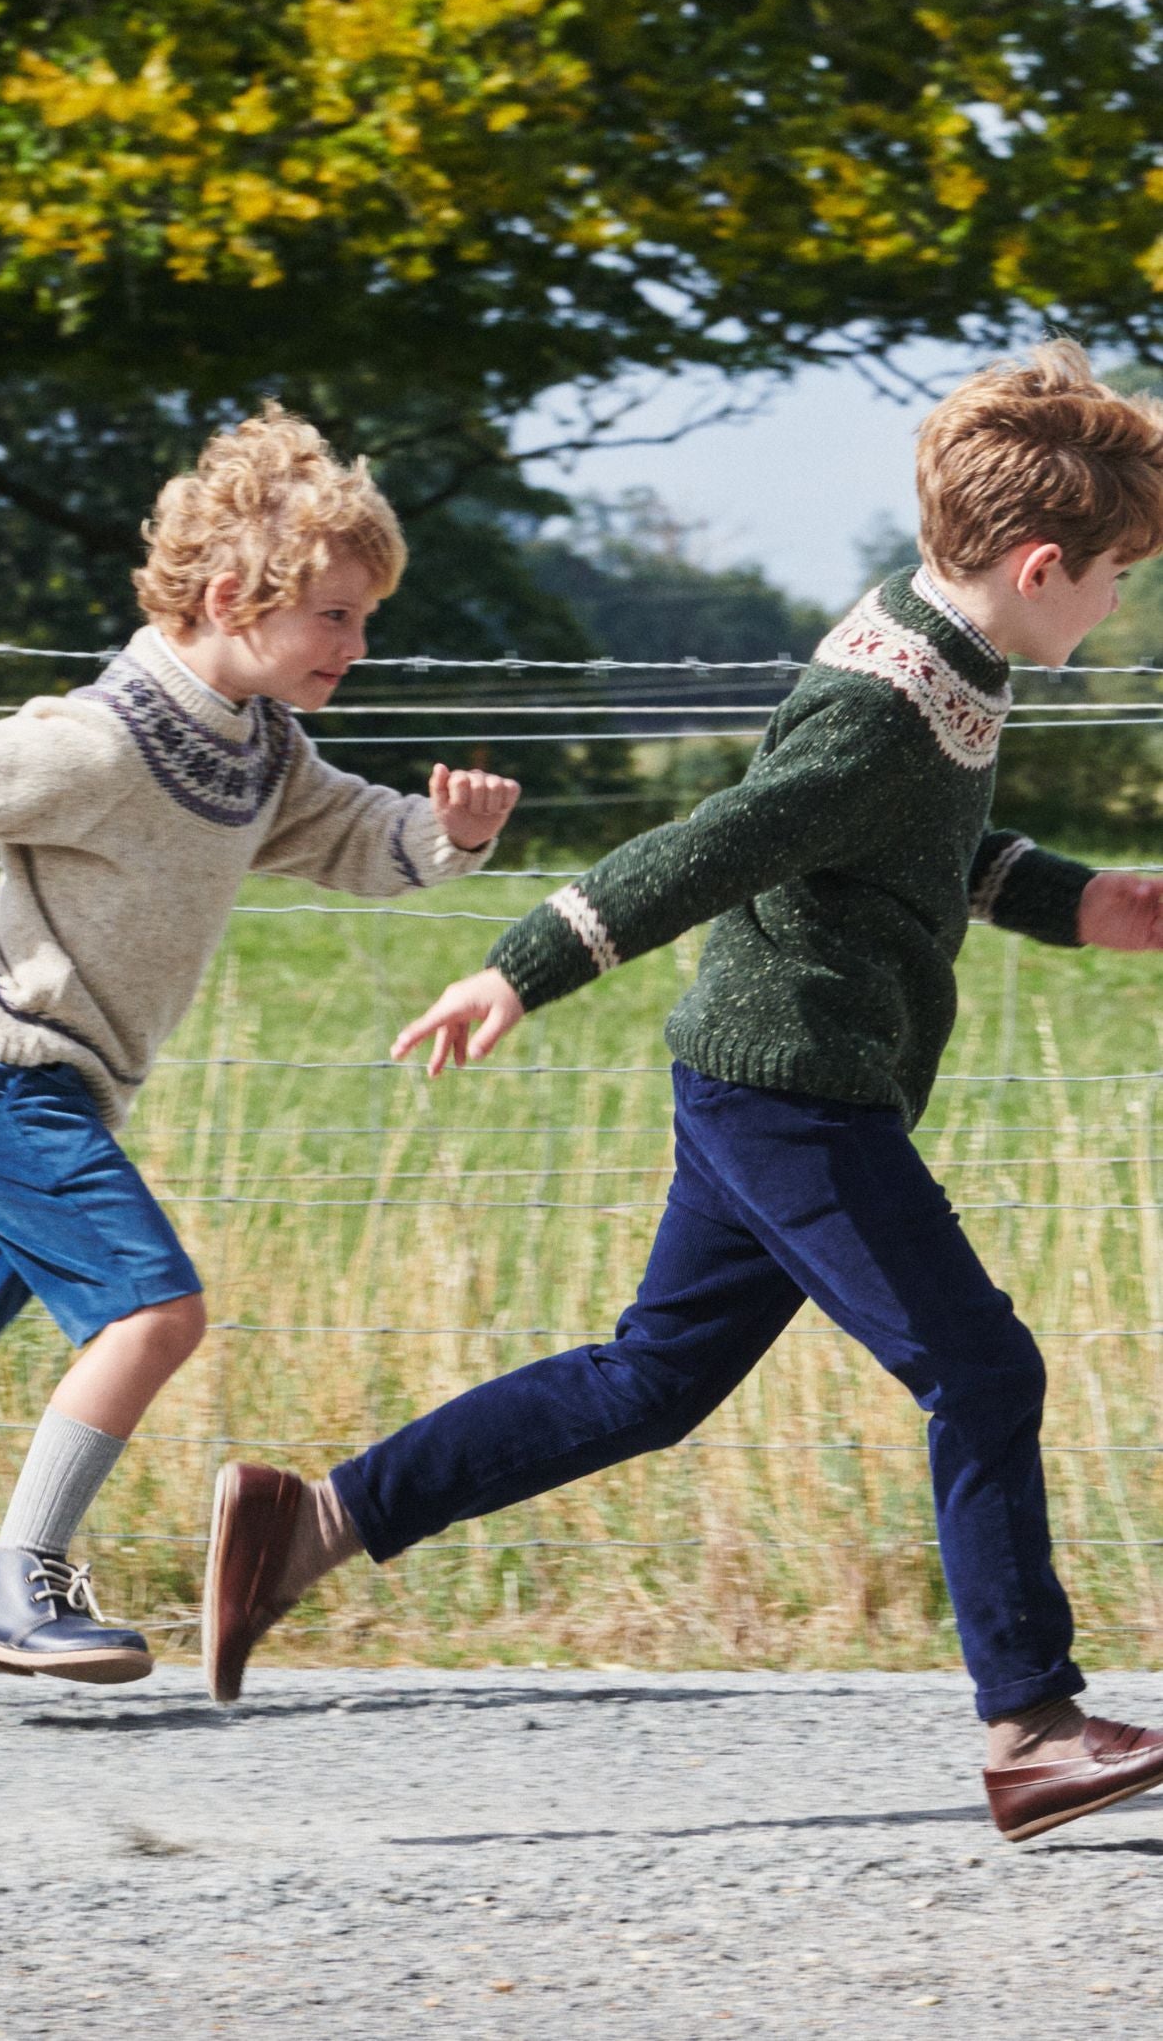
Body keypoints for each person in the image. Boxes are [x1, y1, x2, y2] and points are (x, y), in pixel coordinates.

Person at [204, 343, 1163, 1843]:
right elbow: (719, 845)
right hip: (795, 1095)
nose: (1116, 606)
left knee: (652, 1379)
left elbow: (921, 849)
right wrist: (517, 966)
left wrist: (1096, 900)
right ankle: (1031, 1723)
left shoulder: (947, 656)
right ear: (1041, 563)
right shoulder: (885, 699)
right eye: (1114, 577)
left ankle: (307, 1520)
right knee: (982, 1368)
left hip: (766, 1081)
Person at [0, 406, 519, 1718]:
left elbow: (356, 837)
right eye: (337, 618)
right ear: (234, 597)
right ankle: (19, 1577)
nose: (357, 642)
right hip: (2, 1070)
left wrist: (449, 835)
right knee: (154, 1310)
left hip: (30, 1080)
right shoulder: (104, 742)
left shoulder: (256, 747)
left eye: (363, 618)